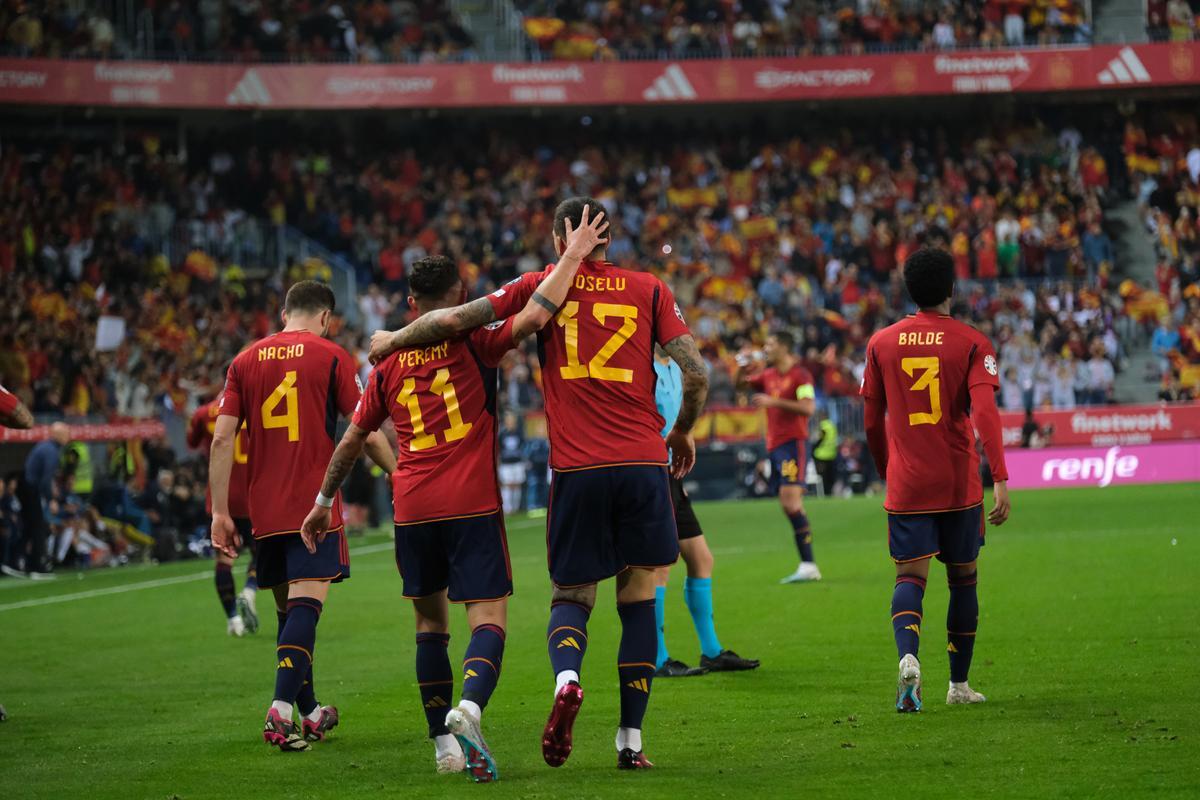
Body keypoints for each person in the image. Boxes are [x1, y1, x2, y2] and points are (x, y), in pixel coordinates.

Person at [368, 196, 709, 771]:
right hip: (642, 463)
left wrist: (394, 340)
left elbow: (454, 320)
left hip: (577, 469)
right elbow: (695, 372)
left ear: (559, 240)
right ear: (608, 240)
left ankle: (567, 680)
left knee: (572, 597)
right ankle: (629, 740)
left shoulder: (539, 283)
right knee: (639, 597)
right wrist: (680, 432)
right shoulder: (649, 288)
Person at [302, 208, 607, 781]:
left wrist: (322, 503)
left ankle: (442, 748)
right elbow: (533, 317)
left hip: (412, 505)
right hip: (470, 502)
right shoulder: (476, 340)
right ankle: (468, 708)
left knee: (428, 627)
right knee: (487, 619)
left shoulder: (389, 362)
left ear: (412, 305)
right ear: (461, 294)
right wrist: (571, 257)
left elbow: (352, 439)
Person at [210, 280, 396, 752]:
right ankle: (281, 711)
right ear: (327, 318)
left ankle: (310, 712)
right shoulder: (331, 356)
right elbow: (365, 429)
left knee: (289, 614)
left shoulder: (243, 361)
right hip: (313, 506)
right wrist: (399, 473)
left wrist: (219, 513)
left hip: (263, 512)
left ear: (284, 313)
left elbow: (221, 439)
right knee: (305, 611)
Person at [859, 247, 1011, 713]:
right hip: (958, 484)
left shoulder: (881, 342)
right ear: (951, 289)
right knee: (963, 580)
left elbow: (870, 421)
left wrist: (889, 469)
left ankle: (909, 657)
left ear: (909, 290)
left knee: (910, 576)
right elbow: (984, 413)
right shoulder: (971, 342)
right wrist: (1000, 477)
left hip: (908, 483)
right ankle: (959, 684)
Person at [651, 346, 758, 678]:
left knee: (701, 559)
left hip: (672, 477)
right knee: (660, 565)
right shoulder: (643, 366)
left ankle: (711, 651)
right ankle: (656, 658)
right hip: (652, 472)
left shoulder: (672, 368)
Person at [735, 332, 821, 583]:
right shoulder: (768, 375)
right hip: (775, 446)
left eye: (771, 344)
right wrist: (742, 367)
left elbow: (808, 408)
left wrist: (773, 401)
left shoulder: (801, 375)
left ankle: (808, 564)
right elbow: (741, 385)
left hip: (793, 443)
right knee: (789, 504)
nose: (767, 348)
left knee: (791, 503)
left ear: (784, 347)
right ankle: (807, 563)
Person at [188, 395, 257, 637]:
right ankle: (249, 590)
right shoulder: (256, 405)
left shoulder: (204, 413)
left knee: (224, 560)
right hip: (253, 494)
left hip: (221, 497)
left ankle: (233, 620)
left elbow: (192, 441)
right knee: (265, 552)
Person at [11, 421, 71, 578]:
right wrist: (51, 499)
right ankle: (37, 566)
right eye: (66, 433)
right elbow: (45, 479)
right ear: (57, 434)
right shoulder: (52, 451)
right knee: (38, 526)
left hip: (25, 486)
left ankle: (15, 562)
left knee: (29, 527)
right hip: (30, 488)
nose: (68, 436)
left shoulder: (45, 446)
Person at [812, 411, 839, 496]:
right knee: (830, 475)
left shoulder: (823, 426)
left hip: (821, 455)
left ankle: (825, 493)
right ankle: (829, 492)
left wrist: (814, 447)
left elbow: (820, 439)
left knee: (823, 476)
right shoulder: (832, 426)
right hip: (831, 454)